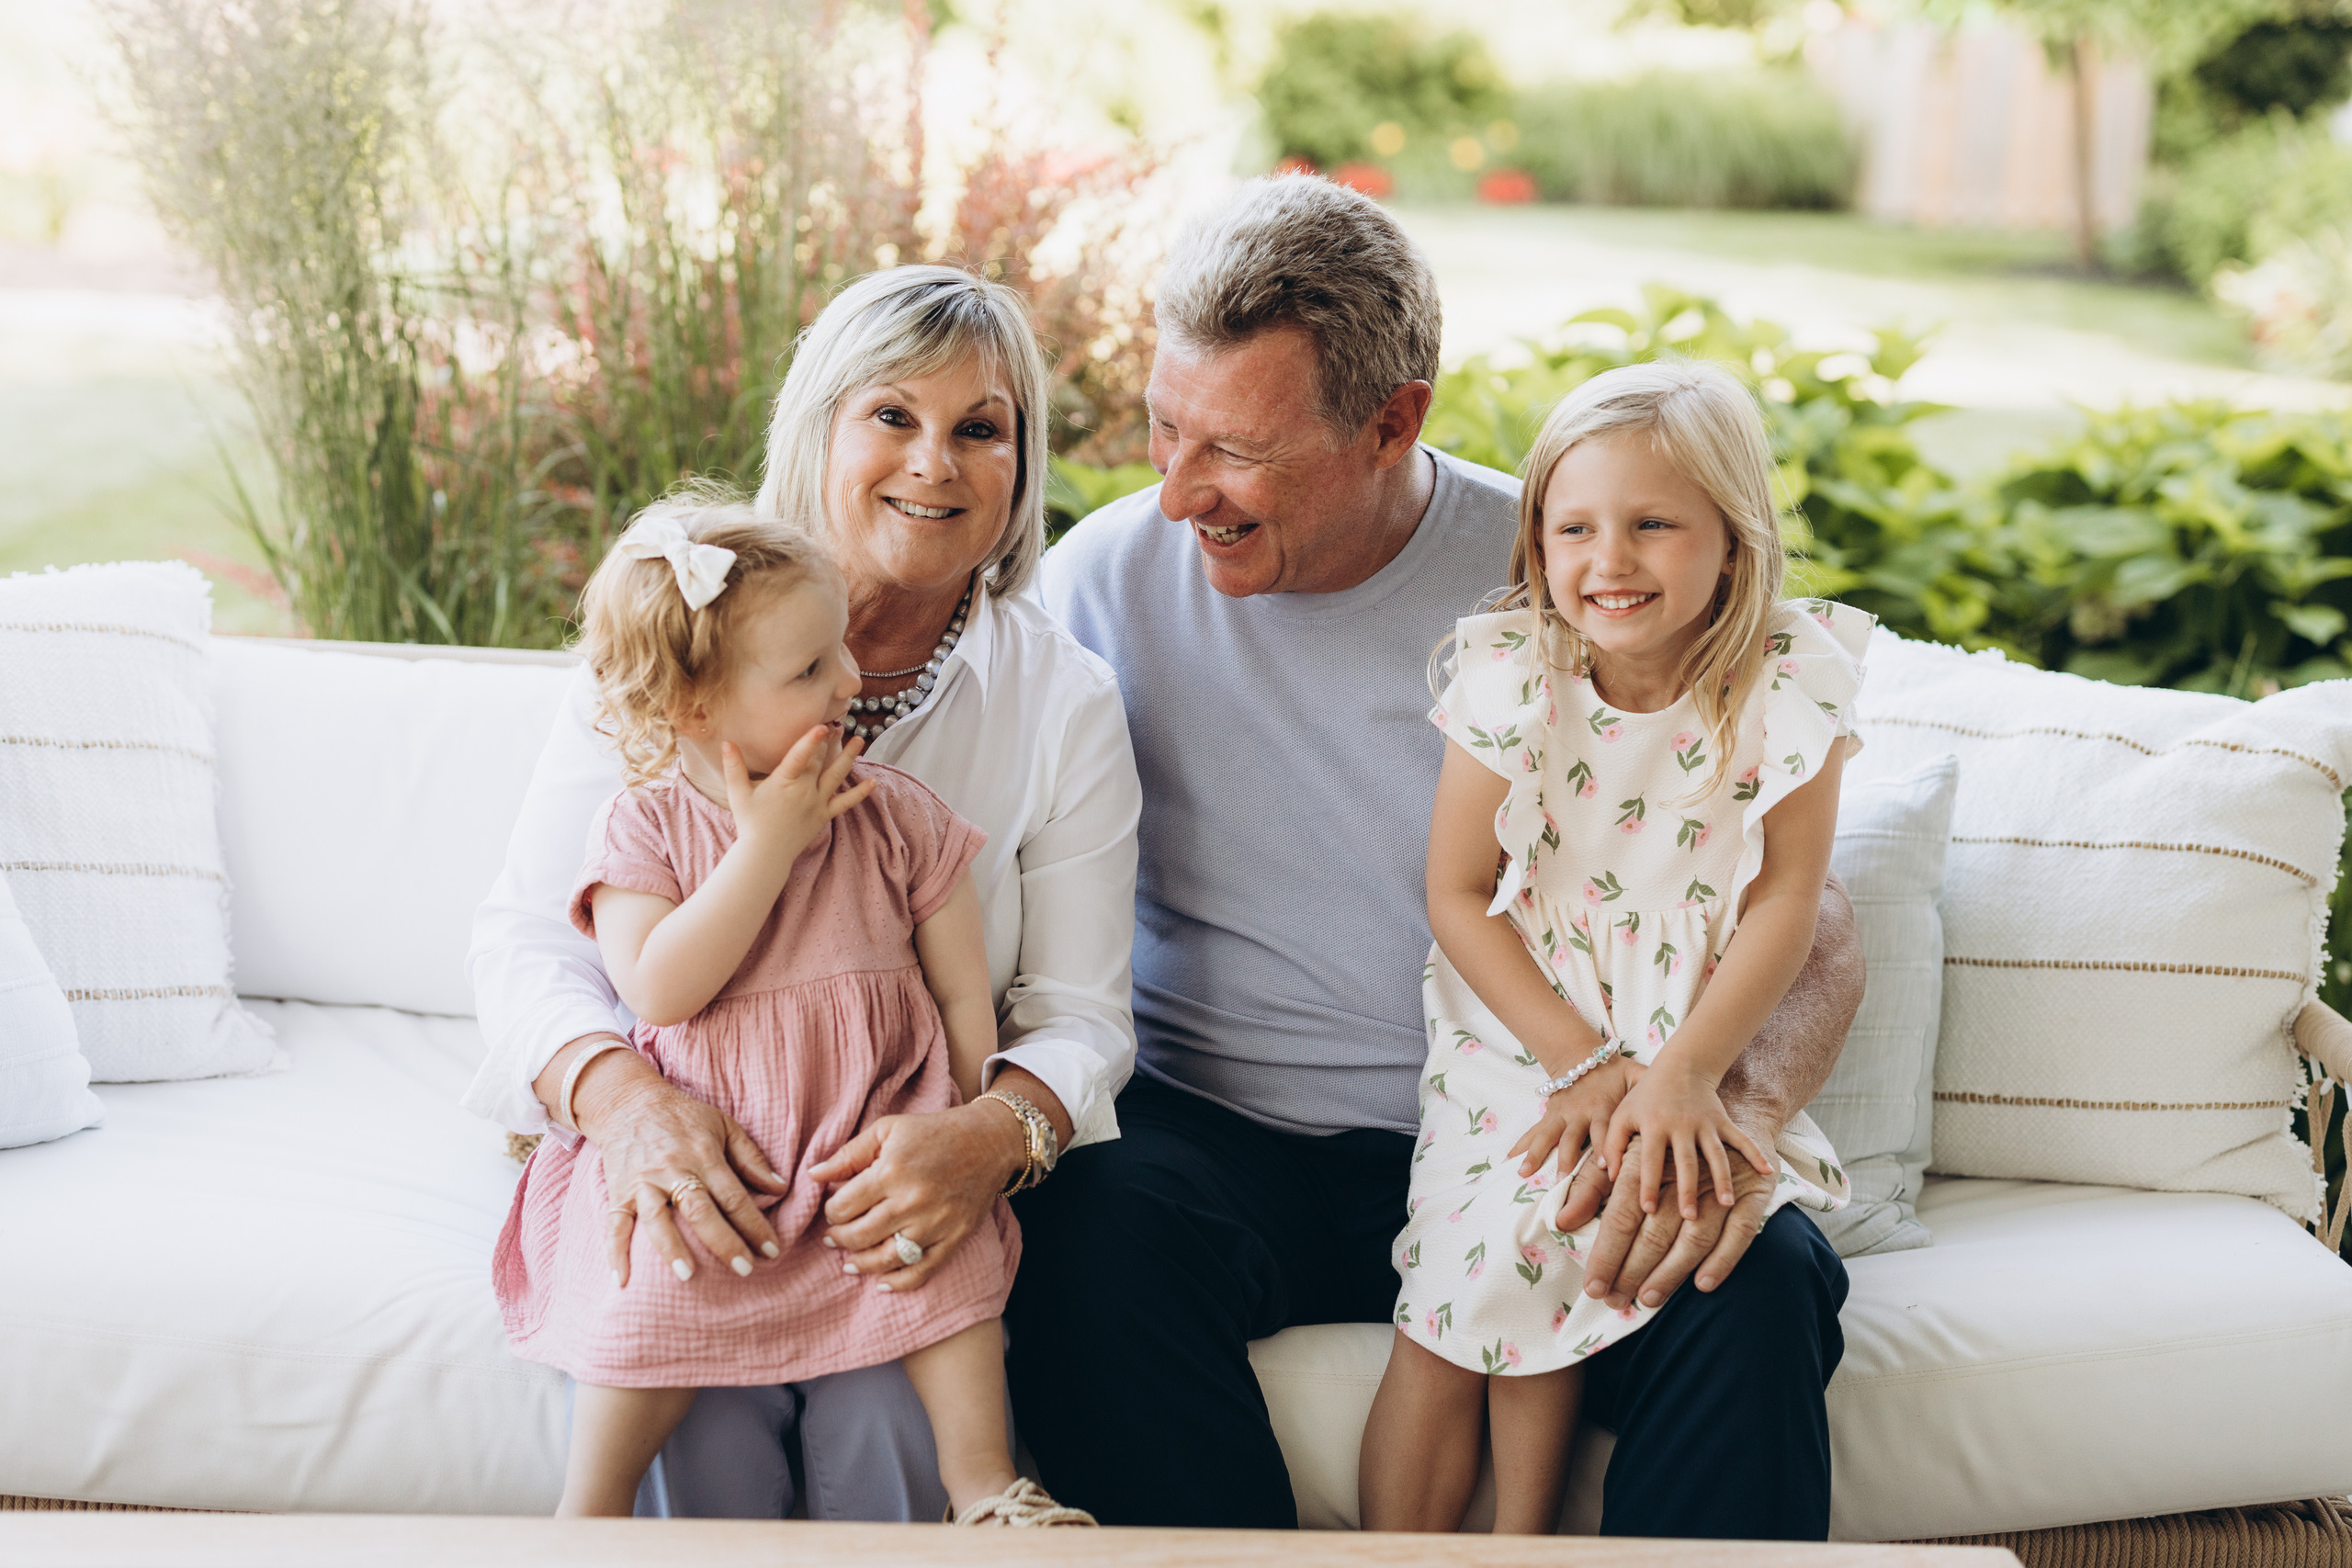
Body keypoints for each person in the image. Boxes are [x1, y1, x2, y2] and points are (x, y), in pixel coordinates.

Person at [1029, 174, 1862, 1540]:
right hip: (1217, 1135)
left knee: (1757, 1279)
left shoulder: (1563, 570)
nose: (1177, 493)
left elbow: (1802, 904)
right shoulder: (1102, 583)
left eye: (1235, 450)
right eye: (1164, 430)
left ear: (1392, 421)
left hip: (1545, 1121)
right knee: (1083, 1232)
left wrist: (1736, 1116)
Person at [464, 267, 1142, 1522]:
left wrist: (984, 1131)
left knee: (895, 1406)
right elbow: (528, 937)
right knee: (686, 1381)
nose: (933, 462)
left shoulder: (1062, 700)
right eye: (891, 414)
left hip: (883, 1157)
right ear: (819, 426)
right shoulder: (683, 640)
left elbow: (1084, 1008)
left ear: (1020, 462)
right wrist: (622, 1100)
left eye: (980, 428)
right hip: (702, 1141)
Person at [1357, 360, 1868, 1534]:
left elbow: (1789, 901)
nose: (1610, 561)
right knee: (1463, 1283)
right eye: (1574, 527)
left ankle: (1530, 1547)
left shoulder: (1789, 680)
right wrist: (1581, 1062)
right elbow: (1456, 890)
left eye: (1653, 525)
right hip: (1525, 1035)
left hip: (1691, 1031)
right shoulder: (1513, 671)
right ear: (1536, 538)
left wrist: (1687, 1072)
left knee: (1621, 1241)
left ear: (1731, 541)